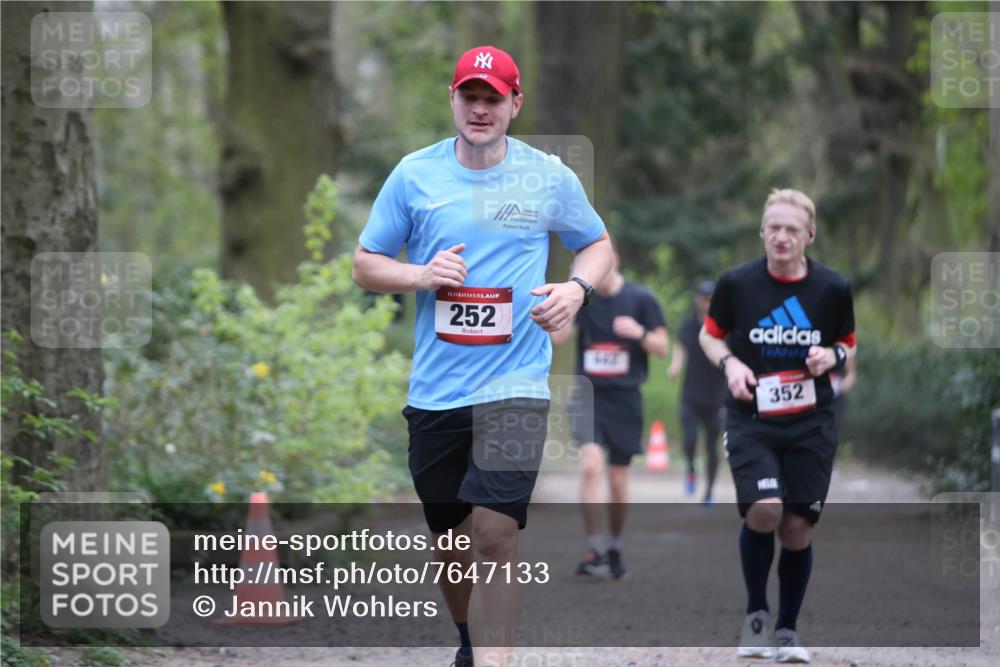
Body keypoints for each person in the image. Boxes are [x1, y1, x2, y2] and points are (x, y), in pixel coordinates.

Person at [351, 45, 613, 667]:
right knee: (450, 541)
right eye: (470, 95)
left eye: (493, 97)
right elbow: (365, 264)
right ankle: (469, 642)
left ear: (514, 105)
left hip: (515, 384)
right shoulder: (414, 175)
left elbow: (597, 245)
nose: (480, 107)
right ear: (453, 99)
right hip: (437, 391)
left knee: (495, 533)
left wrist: (576, 290)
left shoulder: (548, 176)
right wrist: (420, 276)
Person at [698, 189, 856, 663]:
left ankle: (787, 632)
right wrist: (730, 365)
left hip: (811, 422)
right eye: (774, 228)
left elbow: (849, 345)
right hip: (752, 418)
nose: (782, 237)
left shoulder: (831, 288)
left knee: (796, 527)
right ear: (761, 232)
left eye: (792, 229)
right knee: (765, 510)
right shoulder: (737, 283)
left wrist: (832, 356)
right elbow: (711, 335)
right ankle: (756, 618)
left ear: (809, 235)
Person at [550, 247, 668, 580]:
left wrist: (640, 333)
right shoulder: (582, 299)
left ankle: (614, 545)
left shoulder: (640, 298)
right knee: (590, 468)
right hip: (589, 396)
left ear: (612, 260)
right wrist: (570, 299)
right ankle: (594, 548)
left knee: (617, 481)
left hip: (626, 399)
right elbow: (558, 338)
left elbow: (662, 347)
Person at [667, 280, 727, 505]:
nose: (706, 302)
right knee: (690, 439)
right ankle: (691, 468)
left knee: (713, 446)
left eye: (710, 298)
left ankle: (709, 491)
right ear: (698, 299)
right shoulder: (689, 324)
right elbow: (680, 347)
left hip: (716, 396)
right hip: (691, 393)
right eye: (703, 297)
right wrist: (675, 366)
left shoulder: (724, 325)